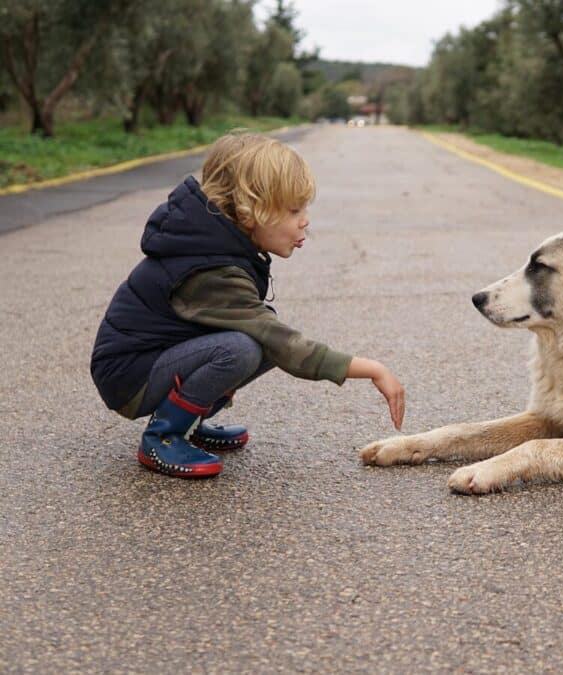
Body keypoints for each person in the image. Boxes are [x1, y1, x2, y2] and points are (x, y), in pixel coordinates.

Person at [90, 132, 404, 478]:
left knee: (262, 338)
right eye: (293, 210)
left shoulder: (219, 247)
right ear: (249, 211)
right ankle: (164, 436)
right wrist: (371, 369)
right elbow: (282, 343)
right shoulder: (210, 269)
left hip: (154, 359)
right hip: (130, 378)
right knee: (244, 346)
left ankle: (188, 423)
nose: (305, 220)